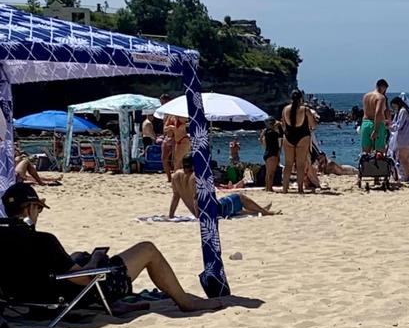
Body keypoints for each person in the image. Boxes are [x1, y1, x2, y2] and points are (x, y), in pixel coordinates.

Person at [1, 182, 223, 312]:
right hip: (76, 294)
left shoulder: (5, 239)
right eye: (38, 208)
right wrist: (96, 261)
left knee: (78, 256)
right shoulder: (44, 240)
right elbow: (84, 280)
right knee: (147, 249)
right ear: (29, 208)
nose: (38, 214)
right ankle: (186, 302)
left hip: (28, 298)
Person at [169, 153, 277, 218]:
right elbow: (196, 198)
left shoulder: (175, 176)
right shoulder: (196, 176)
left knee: (235, 208)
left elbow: (175, 198)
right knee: (239, 197)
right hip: (211, 211)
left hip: (201, 211)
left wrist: (171, 216)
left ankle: (260, 210)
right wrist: (200, 217)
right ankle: (265, 212)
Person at [281, 90, 316, 194]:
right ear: (301, 98)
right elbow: (313, 125)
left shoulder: (285, 109)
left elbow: (283, 125)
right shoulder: (305, 110)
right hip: (303, 137)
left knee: (288, 165)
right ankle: (300, 189)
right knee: (300, 165)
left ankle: (285, 189)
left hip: (288, 137)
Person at [361, 79, 389, 153]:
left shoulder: (366, 96)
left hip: (365, 123)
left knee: (365, 152)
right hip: (376, 124)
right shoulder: (381, 97)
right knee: (379, 152)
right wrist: (376, 130)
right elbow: (378, 113)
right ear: (383, 87)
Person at [259, 119, 282, 192]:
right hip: (273, 154)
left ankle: (267, 187)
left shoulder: (266, 132)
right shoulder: (274, 133)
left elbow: (261, 140)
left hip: (267, 153)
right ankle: (269, 188)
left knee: (268, 172)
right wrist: (280, 126)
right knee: (271, 173)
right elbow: (282, 135)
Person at [160, 94, 174, 182]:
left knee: (176, 160)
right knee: (164, 159)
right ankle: (169, 178)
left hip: (173, 137)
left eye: (162, 101)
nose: (161, 103)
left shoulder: (173, 111)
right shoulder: (165, 112)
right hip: (166, 137)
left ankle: (174, 178)